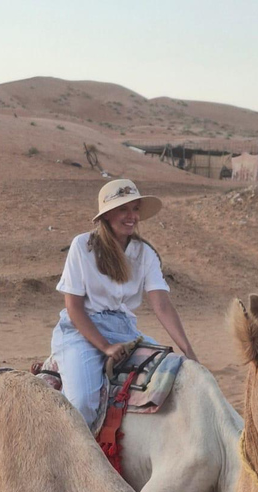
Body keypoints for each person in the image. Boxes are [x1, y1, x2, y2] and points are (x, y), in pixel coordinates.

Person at [50, 178, 197, 427]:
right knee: (83, 403)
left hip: (125, 330)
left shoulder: (144, 253)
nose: (132, 216)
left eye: (136, 209)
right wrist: (106, 347)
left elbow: (161, 304)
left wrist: (188, 350)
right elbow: (74, 308)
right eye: (123, 209)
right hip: (80, 330)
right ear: (107, 215)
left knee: (176, 371)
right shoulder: (82, 247)